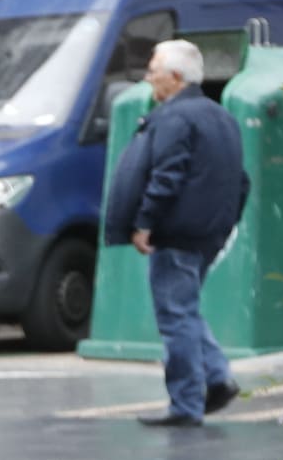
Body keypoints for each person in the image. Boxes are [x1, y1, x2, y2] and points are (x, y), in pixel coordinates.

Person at [104, 38, 248, 427]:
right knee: (185, 310)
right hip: (207, 233)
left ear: (176, 77)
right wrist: (224, 225)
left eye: (154, 70)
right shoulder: (220, 116)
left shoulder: (174, 118)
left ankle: (185, 402)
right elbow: (241, 180)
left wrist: (145, 223)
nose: (149, 77)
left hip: (177, 233)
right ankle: (217, 377)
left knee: (175, 316)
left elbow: (166, 176)